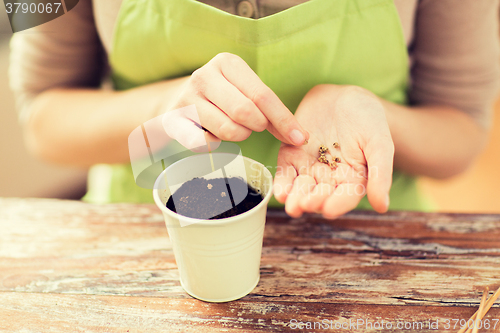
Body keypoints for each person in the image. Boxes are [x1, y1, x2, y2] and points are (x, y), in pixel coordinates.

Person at [9, 0, 500, 219]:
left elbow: (462, 129)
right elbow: (41, 117)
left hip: (367, 244)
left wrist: (372, 113)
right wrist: (163, 108)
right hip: (146, 243)